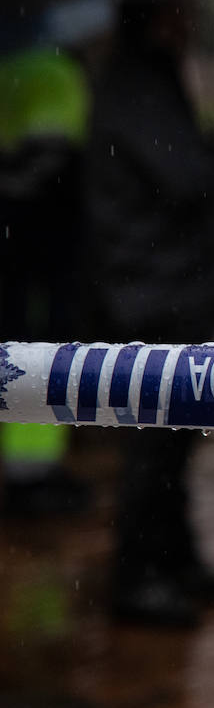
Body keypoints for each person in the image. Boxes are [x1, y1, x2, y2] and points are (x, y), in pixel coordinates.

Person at [85, 0, 214, 627]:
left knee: (175, 438)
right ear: (155, 18)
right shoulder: (135, 89)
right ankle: (137, 577)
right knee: (153, 444)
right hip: (152, 292)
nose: (189, 20)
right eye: (179, 11)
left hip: (171, 286)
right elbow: (183, 178)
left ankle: (176, 560)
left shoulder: (150, 81)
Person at [0, 46, 91, 516]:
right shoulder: (59, 72)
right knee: (39, 357)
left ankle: (32, 472)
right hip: (42, 262)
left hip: (25, 258)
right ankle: (32, 476)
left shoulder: (13, 68)